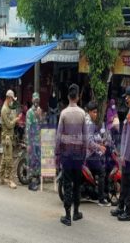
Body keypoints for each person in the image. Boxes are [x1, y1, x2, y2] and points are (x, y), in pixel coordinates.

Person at [55, 84, 87, 226]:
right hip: (78, 155)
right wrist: (84, 154)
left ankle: (67, 216)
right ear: (78, 97)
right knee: (77, 185)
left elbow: (58, 136)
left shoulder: (63, 114)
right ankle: (76, 213)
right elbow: (86, 137)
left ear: (68, 97)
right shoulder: (82, 114)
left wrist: (57, 153)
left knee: (67, 184)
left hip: (66, 155)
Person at [111, 86, 130, 222]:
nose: (125, 99)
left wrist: (124, 156)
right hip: (126, 154)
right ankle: (121, 207)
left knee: (127, 183)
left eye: (127, 96)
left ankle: (128, 211)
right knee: (124, 182)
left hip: (129, 155)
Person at [85, 101, 109, 206]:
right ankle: (101, 199)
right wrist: (100, 147)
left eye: (96, 112)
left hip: (82, 153)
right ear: (89, 112)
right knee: (102, 171)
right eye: (94, 112)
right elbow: (89, 142)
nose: (96, 114)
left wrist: (99, 141)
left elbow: (92, 137)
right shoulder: (90, 124)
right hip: (89, 154)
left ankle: (92, 192)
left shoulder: (85, 120)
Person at [0, 90, 20, 189]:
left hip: (9, 136)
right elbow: (9, 125)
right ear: (9, 98)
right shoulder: (4, 110)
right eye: (12, 99)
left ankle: (0, 178)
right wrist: (16, 120)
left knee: (4, 158)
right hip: (6, 137)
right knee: (9, 159)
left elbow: (14, 110)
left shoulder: (9, 107)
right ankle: (9, 180)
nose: (13, 101)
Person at [26, 92, 42, 191]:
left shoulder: (39, 111)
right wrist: (28, 143)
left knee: (37, 161)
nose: (36, 101)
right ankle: (30, 183)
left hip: (38, 140)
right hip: (32, 140)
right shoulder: (29, 112)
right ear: (32, 100)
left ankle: (37, 179)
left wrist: (39, 116)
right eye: (35, 99)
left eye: (37, 99)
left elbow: (41, 124)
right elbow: (28, 128)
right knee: (31, 161)